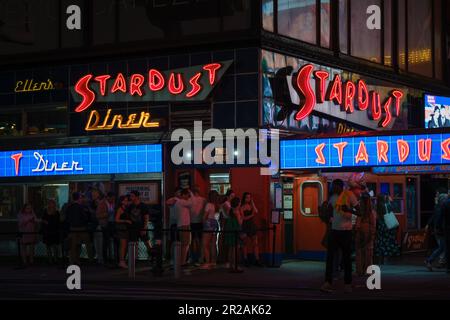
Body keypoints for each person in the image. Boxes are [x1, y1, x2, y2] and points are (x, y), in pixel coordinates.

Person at [321, 176, 362, 294]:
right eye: (333, 187)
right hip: (334, 230)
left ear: (341, 187)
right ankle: (327, 282)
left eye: (336, 187)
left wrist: (349, 210)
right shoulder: (332, 197)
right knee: (330, 258)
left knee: (346, 258)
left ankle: (347, 283)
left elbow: (360, 212)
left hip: (346, 231)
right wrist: (327, 215)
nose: (334, 189)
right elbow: (329, 209)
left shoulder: (349, 195)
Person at [66, 192, 94, 265]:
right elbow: (86, 217)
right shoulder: (82, 207)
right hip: (82, 228)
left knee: (73, 246)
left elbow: (67, 218)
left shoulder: (69, 207)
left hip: (72, 229)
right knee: (88, 244)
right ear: (79, 198)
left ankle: (74, 260)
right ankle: (91, 259)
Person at [425, 188, 448, 271]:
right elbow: (438, 219)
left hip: (440, 230)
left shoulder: (439, 207)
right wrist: (438, 229)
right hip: (441, 230)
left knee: (442, 247)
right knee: (442, 247)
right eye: (446, 199)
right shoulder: (440, 208)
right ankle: (430, 260)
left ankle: (433, 261)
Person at [126, 190, 152, 260]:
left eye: (132, 196)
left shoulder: (143, 206)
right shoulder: (130, 206)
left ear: (137, 197)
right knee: (134, 243)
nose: (131, 197)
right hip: (133, 227)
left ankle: (152, 256)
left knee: (147, 242)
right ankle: (135, 259)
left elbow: (146, 218)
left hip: (141, 227)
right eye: (130, 196)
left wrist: (144, 228)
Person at [355, 192, 377, 276]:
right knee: (368, 252)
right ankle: (367, 270)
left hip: (361, 232)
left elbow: (357, 222)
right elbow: (373, 224)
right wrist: (372, 234)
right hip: (367, 232)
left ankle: (360, 270)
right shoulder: (371, 211)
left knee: (360, 252)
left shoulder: (360, 210)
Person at [374, 194, 400, 265]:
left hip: (380, 226)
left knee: (380, 241)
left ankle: (380, 258)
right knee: (387, 241)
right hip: (386, 225)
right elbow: (392, 211)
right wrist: (389, 201)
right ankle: (386, 258)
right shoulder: (386, 205)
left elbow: (376, 216)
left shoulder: (376, 206)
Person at [240, 192, 262, 267]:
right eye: (247, 197)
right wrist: (252, 215)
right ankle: (245, 259)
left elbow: (256, 211)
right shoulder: (242, 206)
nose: (248, 199)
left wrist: (252, 202)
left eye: (249, 197)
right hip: (245, 225)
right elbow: (243, 218)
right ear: (244, 198)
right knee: (245, 243)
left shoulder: (251, 205)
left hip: (252, 225)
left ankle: (257, 259)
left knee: (255, 243)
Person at [201, 190, 220, 269]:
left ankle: (207, 262)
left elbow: (205, 216)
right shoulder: (217, 205)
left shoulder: (208, 205)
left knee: (205, 245)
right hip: (215, 224)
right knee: (213, 244)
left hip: (208, 223)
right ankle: (213, 262)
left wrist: (203, 222)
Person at [224, 197, 243, 273]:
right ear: (238, 204)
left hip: (229, 231)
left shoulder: (229, 210)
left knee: (230, 249)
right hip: (235, 231)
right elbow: (240, 223)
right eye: (240, 202)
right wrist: (242, 216)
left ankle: (231, 265)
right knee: (235, 249)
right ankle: (235, 266)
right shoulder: (237, 211)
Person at [174, 189, 193, 266]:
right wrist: (191, 193)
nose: (188, 196)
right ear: (183, 195)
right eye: (187, 195)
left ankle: (182, 261)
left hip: (182, 224)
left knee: (184, 244)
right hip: (184, 225)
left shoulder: (178, 202)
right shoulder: (181, 201)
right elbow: (191, 203)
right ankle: (182, 262)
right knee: (185, 244)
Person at [41, 199, 61, 265]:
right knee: (48, 246)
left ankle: (56, 259)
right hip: (47, 231)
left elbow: (58, 222)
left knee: (55, 246)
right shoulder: (45, 211)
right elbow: (43, 220)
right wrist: (45, 223)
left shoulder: (57, 212)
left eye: (52, 203)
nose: (51, 204)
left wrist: (48, 222)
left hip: (54, 231)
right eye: (50, 203)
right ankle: (50, 260)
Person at [190, 187, 206, 265]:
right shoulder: (203, 200)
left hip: (192, 221)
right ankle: (201, 256)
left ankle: (194, 257)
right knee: (200, 240)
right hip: (200, 221)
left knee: (193, 240)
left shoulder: (190, 200)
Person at [92, 188, 108, 265]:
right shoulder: (98, 203)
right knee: (98, 243)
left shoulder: (101, 203)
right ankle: (100, 258)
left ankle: (100, 259)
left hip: (99, 225)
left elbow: (100, 215)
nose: (93, 194)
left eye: (94, 192)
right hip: (99, 225)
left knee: (99, 244)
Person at [115, 195, 131, 269]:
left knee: (125, 246)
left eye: (127, 200)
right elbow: (116, 219)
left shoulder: (126, 208)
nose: (126, 201)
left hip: (126, 229)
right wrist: (125, 221)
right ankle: (121, 261)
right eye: (125, 200)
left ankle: (122, 261)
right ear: (121, 201)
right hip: (121, 229)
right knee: (122, 246)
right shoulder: (120, 209)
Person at [166, 190, 181, 265]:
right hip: (174, 224)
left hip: (181, 224)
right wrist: (176, 199)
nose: (179, 194)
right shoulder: (173, 200)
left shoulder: (182, 201)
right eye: (178, 192)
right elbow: (168, 202)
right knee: (173, 241)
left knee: (179, 241)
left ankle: (178, 258)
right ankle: (172, 258)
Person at [105, 192, 118, 266]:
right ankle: (108, 258)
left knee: (113, 241)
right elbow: (98, 214)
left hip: (113, 224)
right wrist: (108, 214)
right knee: (107, 242)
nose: (113, 199)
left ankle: (113, 258)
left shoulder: (113, 204)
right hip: (107, 224)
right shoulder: (103, 203)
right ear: (108, 197)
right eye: (112, 198)